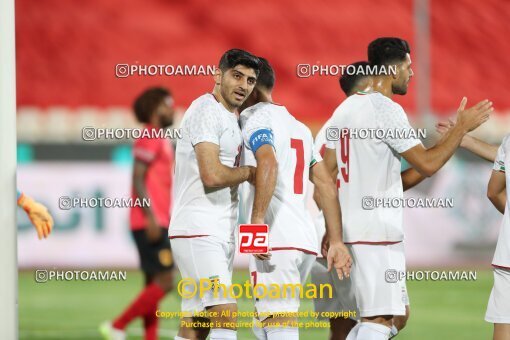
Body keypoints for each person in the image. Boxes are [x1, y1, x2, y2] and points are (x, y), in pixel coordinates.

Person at [323, 37, 493, 340]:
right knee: (378, 319)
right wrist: (460, 129)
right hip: (376, 232)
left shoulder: (348, 107)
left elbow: (398, 179)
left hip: (353, 228)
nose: (411, 74)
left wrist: (333, 229)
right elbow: (427, 164)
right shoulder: (387, 109)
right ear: (393, 69)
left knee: (395, 314)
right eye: (408, 66)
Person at [239, 57, 351, 340]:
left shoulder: (254, 118)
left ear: (253, 86)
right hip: (304, 240)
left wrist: (256, 225)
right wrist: (334, 238)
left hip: (276, 238)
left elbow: (268, 164)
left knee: (278, 325)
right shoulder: (298, 127)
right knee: (264, 323)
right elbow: (325, 181)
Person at [169, 49, 259, 340]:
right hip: (198, 229)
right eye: (237, 76)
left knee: (197, 324)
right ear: (217, 75)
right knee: (225, 311)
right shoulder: (207, 110)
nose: (244, 85)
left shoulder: (228, 117)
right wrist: (250, 173)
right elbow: (212, 174)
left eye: (251, 80)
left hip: (215, 230)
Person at [100, 87, 176, 340]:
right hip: (150, 221)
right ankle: (117, 325)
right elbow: (138, 178)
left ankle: (149, 337)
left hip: (155, 218)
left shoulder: (157, 137)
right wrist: (151, 217)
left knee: (151, 284)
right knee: (167, 279)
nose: (172, 108)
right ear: (156, 108)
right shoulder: (150, 136)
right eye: (168, 104)